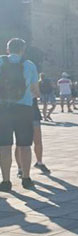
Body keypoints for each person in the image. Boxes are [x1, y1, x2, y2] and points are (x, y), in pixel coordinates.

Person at [0, 38, 40, 191]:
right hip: (24, 109)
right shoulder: (29, 65)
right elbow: (36, 91)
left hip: (3, 109)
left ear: (7, 49)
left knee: (4, 146)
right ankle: (26, 178)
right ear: (23, 50)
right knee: (24, 145)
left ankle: (5, 181)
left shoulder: (0, 62)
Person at [15, 98, 51, 178]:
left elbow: (37, 93)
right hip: (19, 112)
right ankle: (20, 168)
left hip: (33, 111)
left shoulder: (32, 84)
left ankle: (39, 162)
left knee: (38, 140)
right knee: (20, 143)